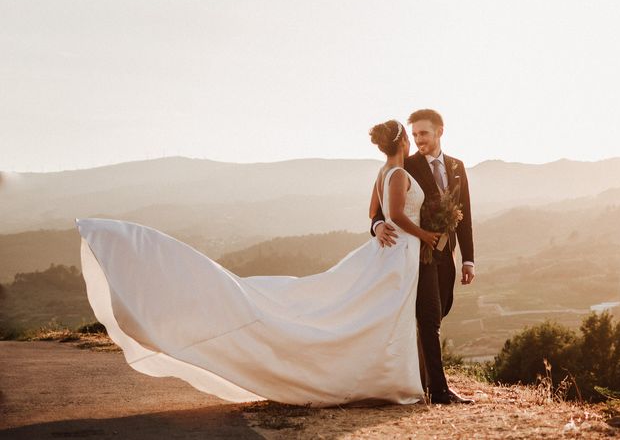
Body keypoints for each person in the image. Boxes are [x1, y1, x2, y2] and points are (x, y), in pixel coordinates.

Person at [75, 120, 437, 406]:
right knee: (377, 314)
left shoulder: (382, 173)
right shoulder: (398, 174)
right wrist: (426, 236)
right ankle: (389, 378)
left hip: (395, 253)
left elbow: (377, 214)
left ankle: (392, 377)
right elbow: (394, 216)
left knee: (377, 314)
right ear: (403, 142)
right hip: (398, 252)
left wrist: (383, 227)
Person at [370, 109, 476, 405]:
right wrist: (378, 227)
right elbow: (381, 211)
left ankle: (422, 380)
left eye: (424, 134)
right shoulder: (408, 165)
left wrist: (468, 259)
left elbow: (464, 216)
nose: (418, 140)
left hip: (447, 257)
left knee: (437, 315)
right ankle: (436, 389)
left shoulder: (457, 166)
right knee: (428, 320)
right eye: (414, 134)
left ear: (440, 131)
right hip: (420, 257)